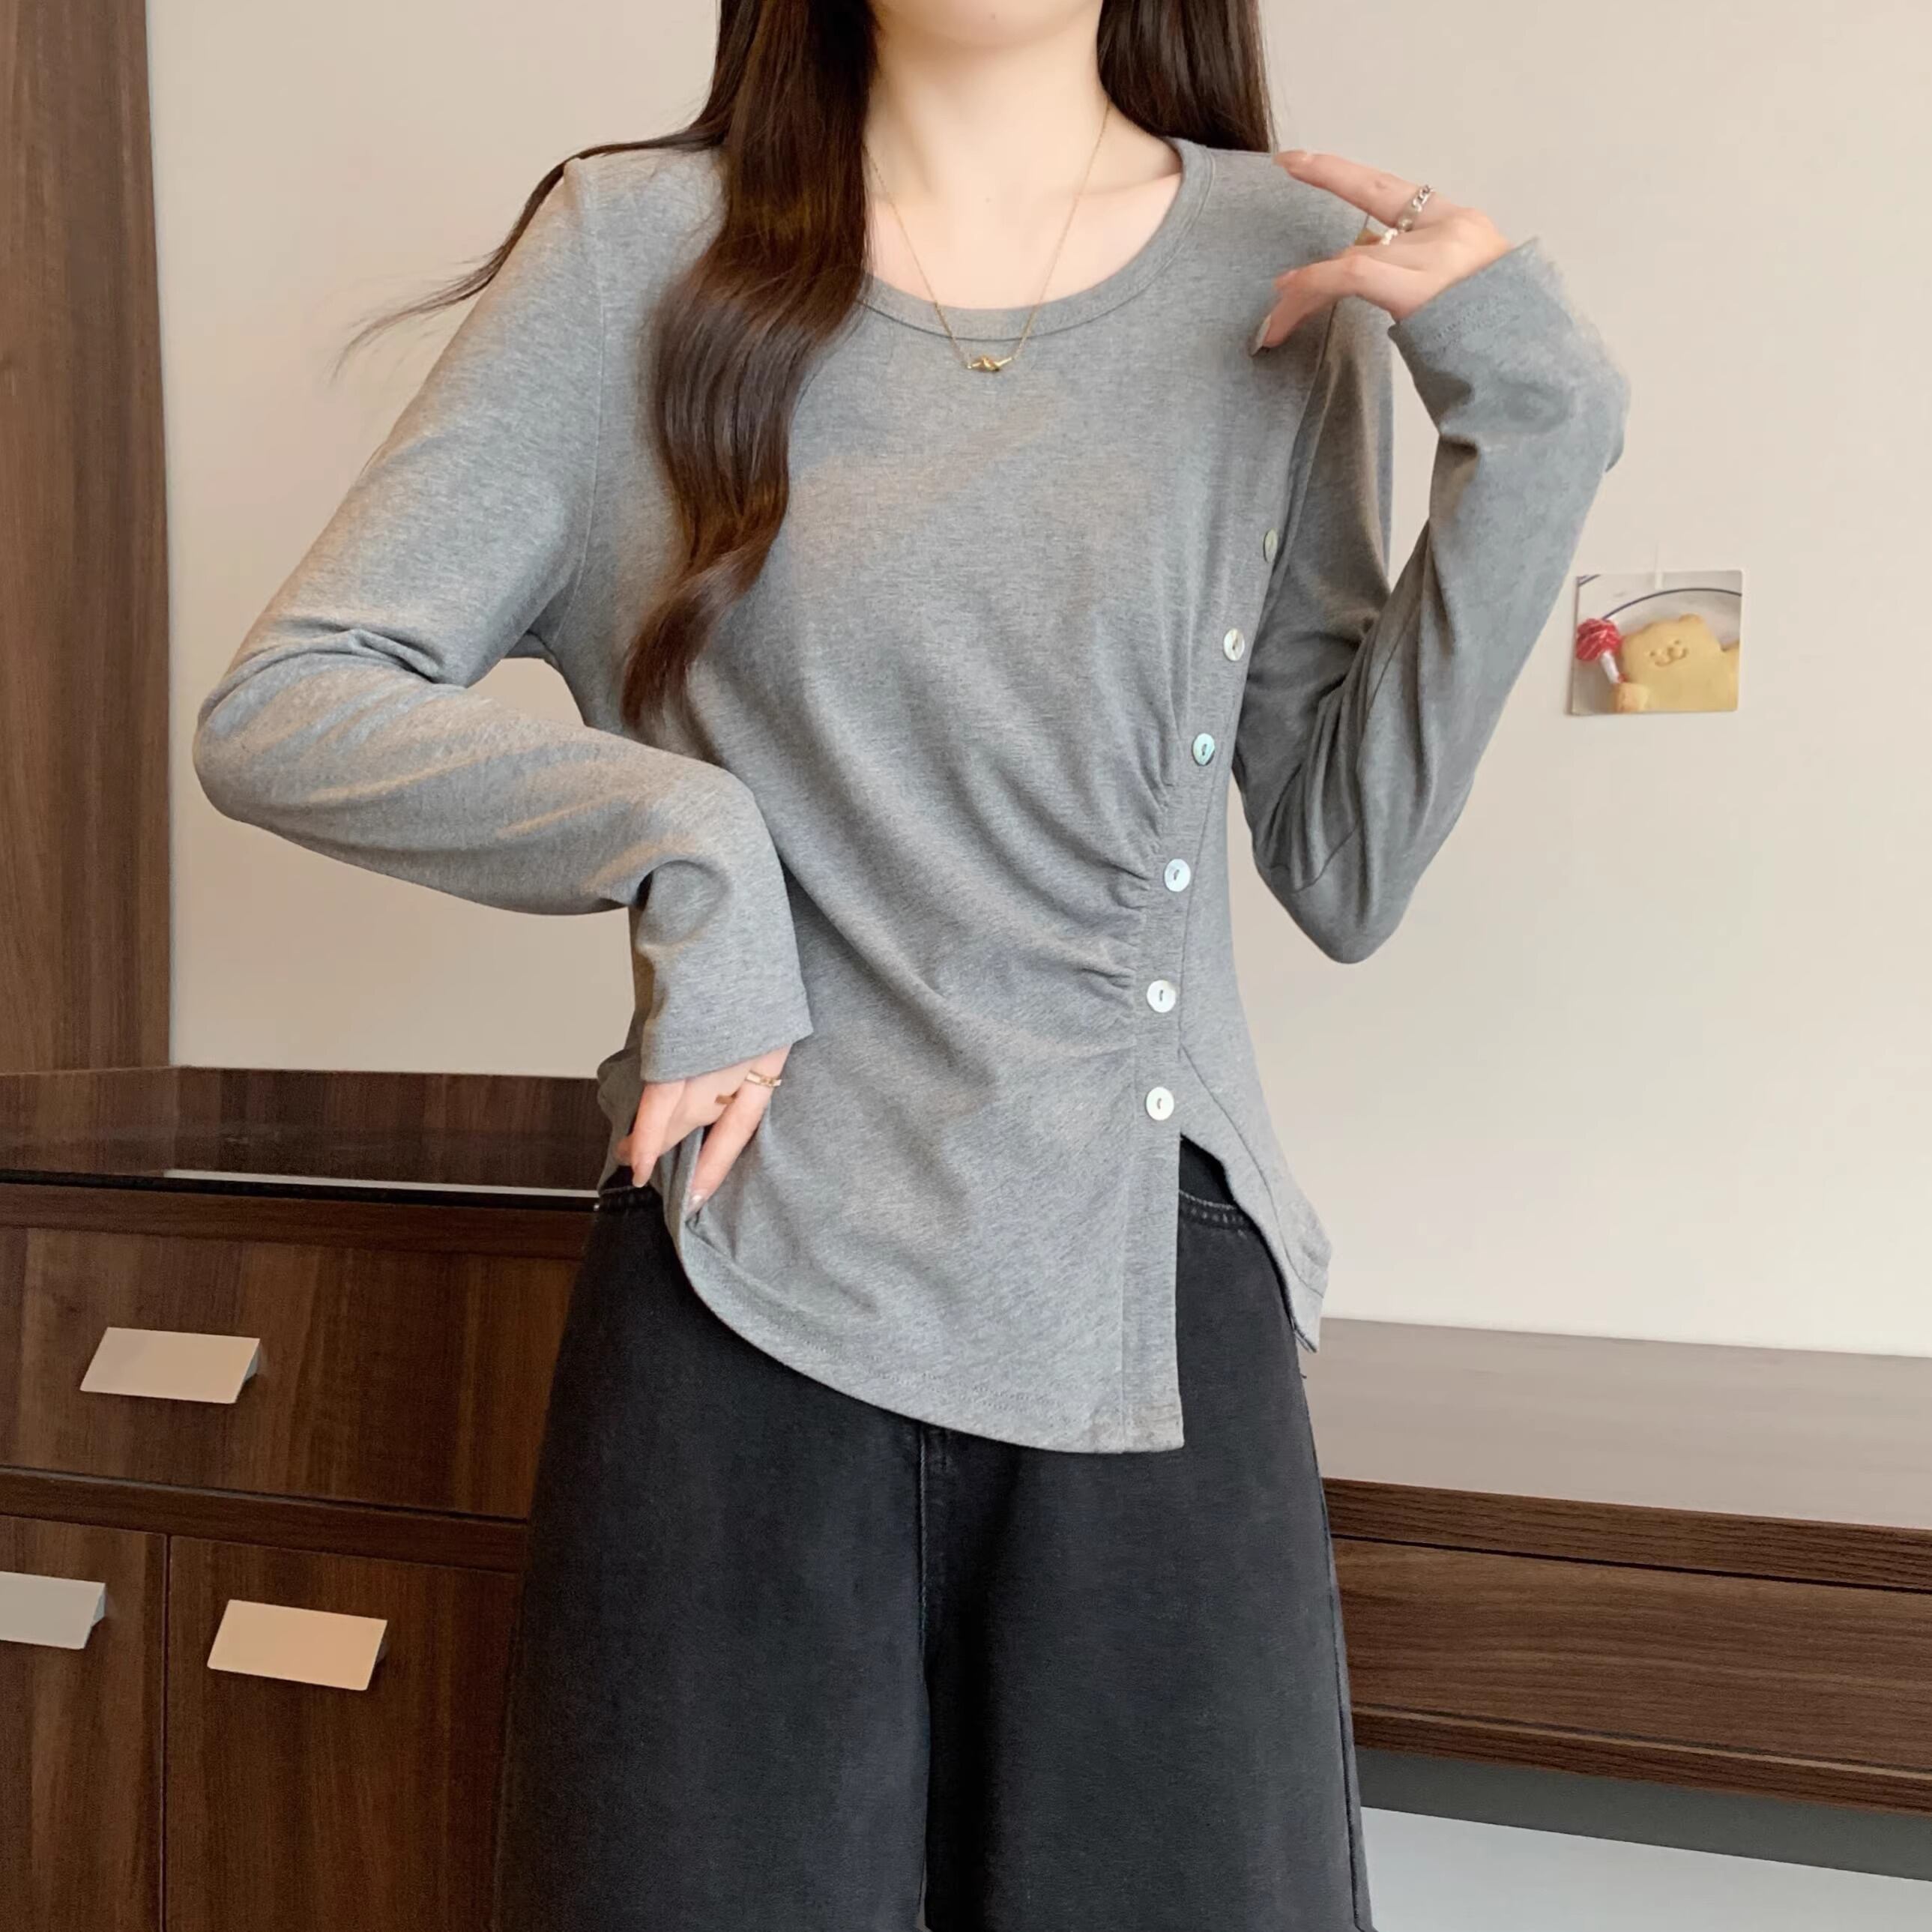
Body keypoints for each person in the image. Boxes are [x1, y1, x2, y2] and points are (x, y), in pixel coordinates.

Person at [191, 3, 1629, 1926]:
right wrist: (689, 843)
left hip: (1148, 1305)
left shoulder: (1278, 268)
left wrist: (1539, 415)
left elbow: (1344, 860)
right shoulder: (634, 250)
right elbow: (289, 705)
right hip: (738, 1276)